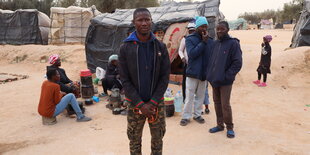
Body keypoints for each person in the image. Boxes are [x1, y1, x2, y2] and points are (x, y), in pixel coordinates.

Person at [119, 8, 170, 155]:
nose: (144, 23)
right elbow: (125, 80)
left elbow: (164, 77)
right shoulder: (125, 48)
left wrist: (153, 102)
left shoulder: (160, 47)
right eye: (140, 20)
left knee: (158, 139)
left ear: (151, 21)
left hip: (157, 104)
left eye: (147, 19)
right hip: (135, 104)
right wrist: (141, 105)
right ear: (133, 23)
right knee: (134, 140)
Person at [207, 21, 242, 138]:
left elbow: (237, 63)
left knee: (225, 104)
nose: (219, 31)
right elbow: (211, 60)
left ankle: (230, 127)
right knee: (217, 103)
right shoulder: (215, 44)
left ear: (227, 29)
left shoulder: (233, 44)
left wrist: (227, 76)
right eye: (218, 29)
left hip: (226, 81)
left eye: (222, 29)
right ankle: (219, 125)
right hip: (214, 80)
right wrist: (210, 75)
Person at [180, 16, 214, 126]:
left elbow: (211, 57)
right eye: (202, 26)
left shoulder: (210, 40)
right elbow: (192, 54)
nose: (204, 29)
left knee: (201, 96)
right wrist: (203, 42)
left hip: (204, 74)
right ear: (197, 27)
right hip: (192, 73)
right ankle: (186, 116)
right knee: (189, 96)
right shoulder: (189, 39)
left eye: (206, 26)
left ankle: (197, 114)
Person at [178, 22, 196, 102]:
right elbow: (180, 51)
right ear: (188, 30)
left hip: (195, 64)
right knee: (185, 81)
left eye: (193, 30)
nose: (191, 32)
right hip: (187, 64)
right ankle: (185, 99)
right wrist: (182, 58)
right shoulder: (184, 39)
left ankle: (195, 99)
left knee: (195, 82)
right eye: (190, 31)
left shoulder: (198, 39)